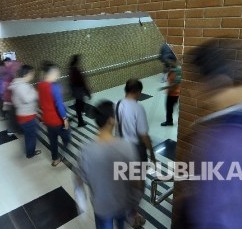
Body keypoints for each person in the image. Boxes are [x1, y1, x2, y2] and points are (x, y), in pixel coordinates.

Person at [172, 38, 242, 229]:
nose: (194, 93)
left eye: (197, 83)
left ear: (220, 82)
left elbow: (221, 220)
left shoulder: (228, 141)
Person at [75, 100, 143, 229]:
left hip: (101, 207)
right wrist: (134, 204)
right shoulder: (126, 147)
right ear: (111, 120)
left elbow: (78, 180)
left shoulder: (85, 150)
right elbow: (136, 182)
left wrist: (81, 203)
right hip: (122, 204)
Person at [115, 79, 154, 227]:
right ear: (137, 92)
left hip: (120, 149)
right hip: (135, 152)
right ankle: (132, 215)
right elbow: (144, 136)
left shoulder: (117, 104)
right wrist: (153, 155)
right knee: (139, 185)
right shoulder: (138, 109)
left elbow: (116, 130)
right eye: (140, 93)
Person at [37, 61, 71, 167]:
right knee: (67, 137)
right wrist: (64, 119)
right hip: (57, 120)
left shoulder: (40, 85)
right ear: (51, 73)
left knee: (53, 140)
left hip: (47, 119)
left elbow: (41, 102)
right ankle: (62, 154)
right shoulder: (54, 87)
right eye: (57, 73)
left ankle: (55, 159)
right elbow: (59, 105)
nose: (58, 75)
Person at [9, 65, 42, 158]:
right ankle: (30, 153)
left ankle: (29, 151)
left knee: (29, 135)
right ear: (27, 74)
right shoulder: (22, 85)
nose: (33, 76)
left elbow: (15, 101)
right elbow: (27, 99)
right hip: (27, 116)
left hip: (23, 115)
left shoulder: (17, 84)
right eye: (32, 74)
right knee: (31, 136)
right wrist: (35, 92)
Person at [68, 54, 91, 127]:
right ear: (77, 61)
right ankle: (80, 121)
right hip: (79, 90)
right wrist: (87, 92)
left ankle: (79, 115)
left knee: (79, 104)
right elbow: (82, 82)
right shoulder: (76, 70)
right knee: (79, 104)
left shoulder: (71, 69)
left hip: (75, 90)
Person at [160, 59, 181, 126]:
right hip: (175, 93)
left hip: (173, 93)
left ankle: (169, 121)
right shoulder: (176, 69)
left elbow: (176, 83)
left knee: (169, 108)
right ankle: (170, 120)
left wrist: (165, 88)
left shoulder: (175, 71)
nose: (169, 64)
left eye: (170, 62)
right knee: (171, 107)